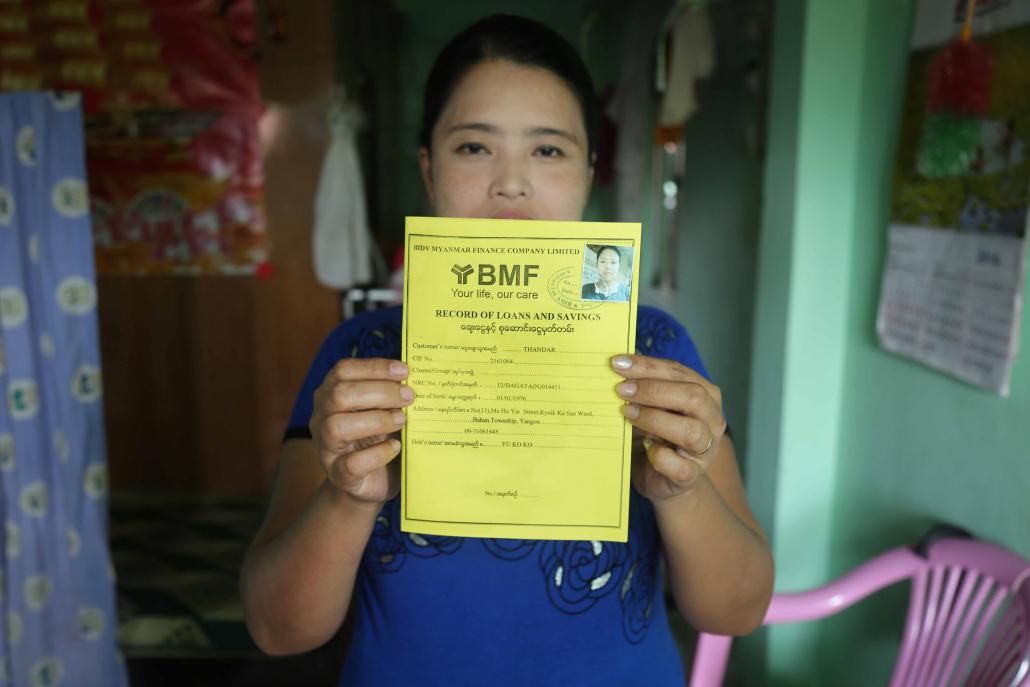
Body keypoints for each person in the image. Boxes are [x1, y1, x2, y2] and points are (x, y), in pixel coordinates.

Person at [240, 14, 773, 686]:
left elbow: (738, 609)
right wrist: (348, 498)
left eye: (548, 150)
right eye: (473, 148)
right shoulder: (361, 358)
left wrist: (682, 491)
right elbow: (278, 628)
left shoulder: (656, 349)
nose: (511, 184)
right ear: (429, 170)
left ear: (588, 171)